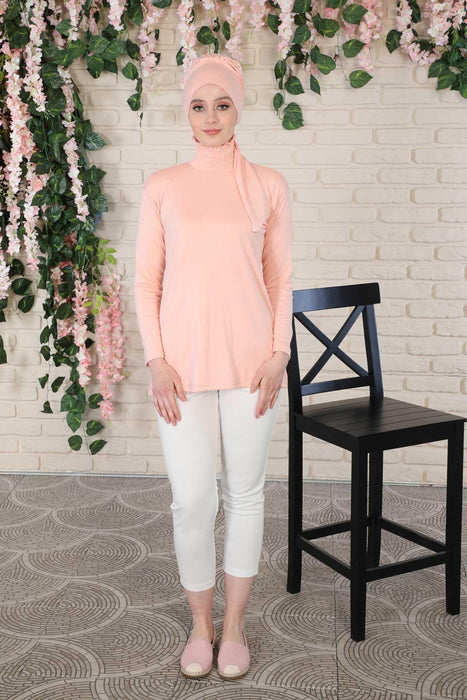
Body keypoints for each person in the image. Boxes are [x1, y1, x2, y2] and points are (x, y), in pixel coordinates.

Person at [134, 53, 293, 680]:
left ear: (238, 108)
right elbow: (146, 282)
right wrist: (156, 360)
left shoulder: (269, 185)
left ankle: (233, 628)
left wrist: (279, 353)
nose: (210, 117)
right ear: (186, 111)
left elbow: (279, 279)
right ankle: (200, 626)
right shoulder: (163, 187)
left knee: (245, 496)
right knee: (192, 500)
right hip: (180, 370)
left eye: (222, 104)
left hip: (254, 366)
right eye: (199, 105)